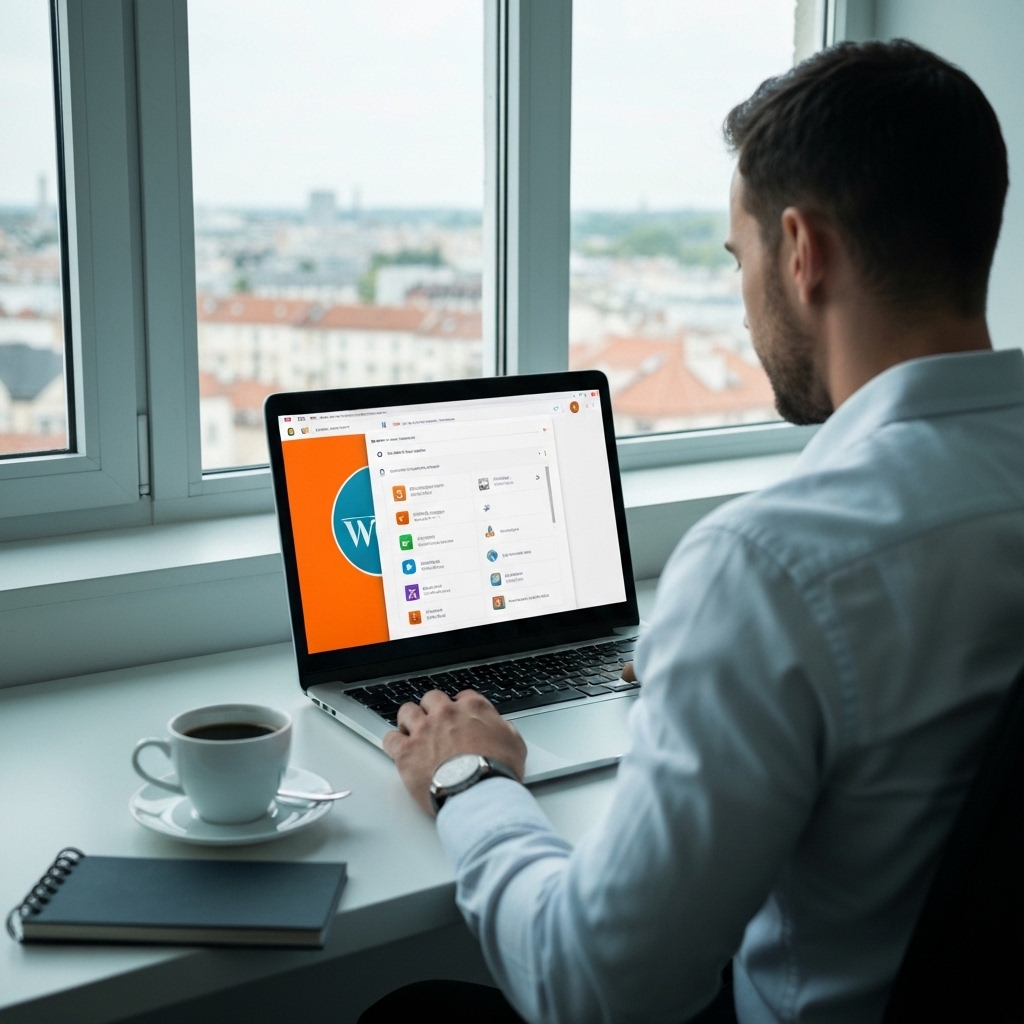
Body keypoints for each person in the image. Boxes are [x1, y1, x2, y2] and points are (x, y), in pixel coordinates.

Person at [363, 40, 1024, 1024]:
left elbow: (590, 990)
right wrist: (711, 665)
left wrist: (468, 779)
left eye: (738, 258)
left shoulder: (770, 567)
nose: (746, 295)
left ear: (800, 254)